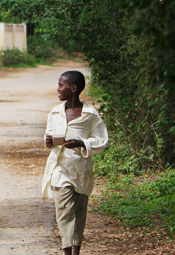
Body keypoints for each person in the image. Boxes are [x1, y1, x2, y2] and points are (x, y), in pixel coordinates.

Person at [42, 71, 109, 255]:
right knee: (63, 211)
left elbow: (101, 140)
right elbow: (48, 134)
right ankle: (67, 251)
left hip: (81, 170)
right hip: (60, 168)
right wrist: (48, 141)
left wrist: (82, 143)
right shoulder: (55, 112)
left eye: (61, 85)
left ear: (73, 89)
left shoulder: (89, 115)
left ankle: (76, 249)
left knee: (79, 213)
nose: (58, 88)